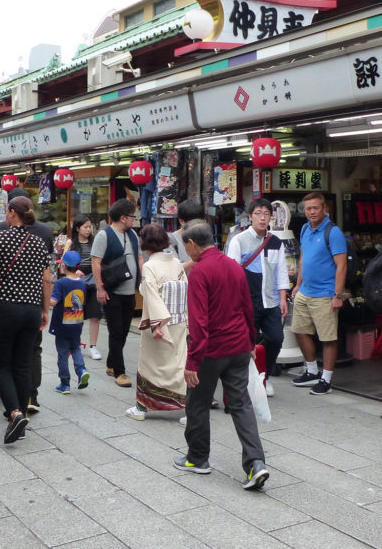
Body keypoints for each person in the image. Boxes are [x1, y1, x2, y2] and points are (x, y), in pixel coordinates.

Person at [175, 221, 268, 490]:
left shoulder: (200, 272)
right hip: (239, 346)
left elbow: (199, 321)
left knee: (197, 402)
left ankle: (197, 458)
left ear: (193, 244)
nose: (187, 252)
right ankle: (256, 464)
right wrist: (251, 341)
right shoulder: (234, 266)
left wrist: (192, 361)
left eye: (186, 247)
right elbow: (247, 307)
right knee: (241, 405)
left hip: (211, 350)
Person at [0, 195, 52, 444]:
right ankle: (22, 412)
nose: (5, 216)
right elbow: (47, 279)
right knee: (23, 363)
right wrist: (44, 309)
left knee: (0, 363)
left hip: (5, 309)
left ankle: (15, 413)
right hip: (31, 310)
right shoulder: (39, 242)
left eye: (7, 212)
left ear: (13, 213)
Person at [227, 198, 288, 397]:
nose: (262, 218)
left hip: (269, 300)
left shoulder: (275, 242)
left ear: (271, 217)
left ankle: (265, 376)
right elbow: (232, 273)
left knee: (276, 338)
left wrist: (282, 297)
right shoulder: (239, 240)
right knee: (245, 343)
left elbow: (281, 272)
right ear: (250, 216)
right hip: (246, 302)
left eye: (266, 214)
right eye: (258, 213)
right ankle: (243, 380)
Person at [129, 223, 187, 421]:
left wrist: (157, 324)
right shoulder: (176, 263)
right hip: (178, 320)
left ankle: (142, 408)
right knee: (178, 364)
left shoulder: (150, 266)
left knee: (150, 365)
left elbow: (152, 295)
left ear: (145, 244)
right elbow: (184, 289)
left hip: (158, 323)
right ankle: (186, 409)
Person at [289, 192, 346, 396]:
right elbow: (303, 258)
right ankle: (312, 371)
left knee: (328, 338)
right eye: (308, 208)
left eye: (315, 208)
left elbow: (341, 266)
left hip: (325, 293)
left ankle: (326, 379)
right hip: (305, 291)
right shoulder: (305, 228)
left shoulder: (333, 232)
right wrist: (298, 285)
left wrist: (337, 296)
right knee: (298, 330)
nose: (311, 212)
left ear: (324, 209)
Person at [91, 198, 142, 388]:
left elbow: (138, 258)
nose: (133, 220)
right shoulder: (104, 236)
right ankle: (120, 372)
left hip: (130, 292)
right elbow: (96, 262)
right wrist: (100, 288)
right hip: (112, 291)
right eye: (132, 217)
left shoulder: (133, 236)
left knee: (123, 331)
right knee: (115, 331)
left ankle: (111, 363)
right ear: (122, 217)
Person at [50, 250, 90, 395]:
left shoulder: (61, 283)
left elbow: (53, 302)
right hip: (77, 323)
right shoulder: (82, 284)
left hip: (62, 325)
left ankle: (65, 384)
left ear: (64, 267)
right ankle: (81, 370)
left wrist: (44, 298)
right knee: (75, 348)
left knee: (62, 353)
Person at [63, 214, 100, 360]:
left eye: (90, 227)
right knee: (75, 315)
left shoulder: (95, 242)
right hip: (76, 282)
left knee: (95, 315)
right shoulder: (71, 243)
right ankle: (73, 343)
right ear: (77, 228)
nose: (88, 230)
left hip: (93, 281)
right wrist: (74, 270)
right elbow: (63, 264)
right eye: (85, 227)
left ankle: (93, 346)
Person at [170, 199, 204, 273]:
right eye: (193, 223)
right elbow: (174, 270)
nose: (197, 226)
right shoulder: (171, 239)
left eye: (199, 222)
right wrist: (198, 257)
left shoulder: (204, 236)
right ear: (181, 221)